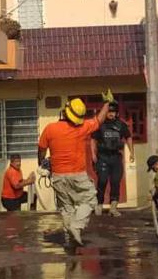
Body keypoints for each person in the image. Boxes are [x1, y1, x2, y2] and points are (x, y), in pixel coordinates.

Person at [38, 91, 113, 246]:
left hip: (58, 176)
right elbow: (99, 119)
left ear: (66, 112)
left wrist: (43, 164)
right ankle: (76, 226)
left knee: (66, 208)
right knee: (91, 199)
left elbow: (41, 150)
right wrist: (107, 103)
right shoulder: (82, 128)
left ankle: (69, 239)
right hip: (77, 175)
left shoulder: (50, 128)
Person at [91, 101, 135, 217]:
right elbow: (93, 140)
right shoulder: (100, 124)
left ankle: (113, 207)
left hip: (116, 157)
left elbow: (128, 137)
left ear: (116, 113)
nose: (111, 114)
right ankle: (99, 205)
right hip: (103, 157)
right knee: (102, 181)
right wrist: (93, 154)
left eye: (113, 112)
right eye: (109, 111)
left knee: (115, 182)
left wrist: (131, 152)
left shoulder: (121, 125)